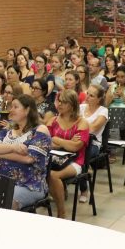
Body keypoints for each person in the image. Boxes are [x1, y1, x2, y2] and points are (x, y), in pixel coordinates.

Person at [0, 94, 51, 210]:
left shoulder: (40, 130)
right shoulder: (8, 129)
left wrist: (1, 152)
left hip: (29, 184)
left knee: (6, 200)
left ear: (27, 110)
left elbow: (29, 158)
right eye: (11, 106)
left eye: (15, 107)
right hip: (1, 180)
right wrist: (14, 148)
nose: (11, 110)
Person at [47, 89, 90, 219]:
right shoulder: (52, 120)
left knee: (53, 176)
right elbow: (46, 142)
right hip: (54, 158)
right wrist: (67, 142)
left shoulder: (81, 122)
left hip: (76, 161)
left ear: (72, 105)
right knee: (40, 171)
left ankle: (61, 213)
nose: (59, 104)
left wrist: (57, 140)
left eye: (63, 102)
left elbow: (76, 147)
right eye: (59, 101)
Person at [78, 84, 108, 203]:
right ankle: (61, 185)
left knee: (79, 156)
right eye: (87, 94)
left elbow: (94, 128)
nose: (87, 97)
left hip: (93, 143)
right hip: (76, 140)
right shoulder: (80, 107)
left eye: (91, 95)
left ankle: (84, 189)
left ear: (99, 99)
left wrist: (79, 126)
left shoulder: (103, 111)